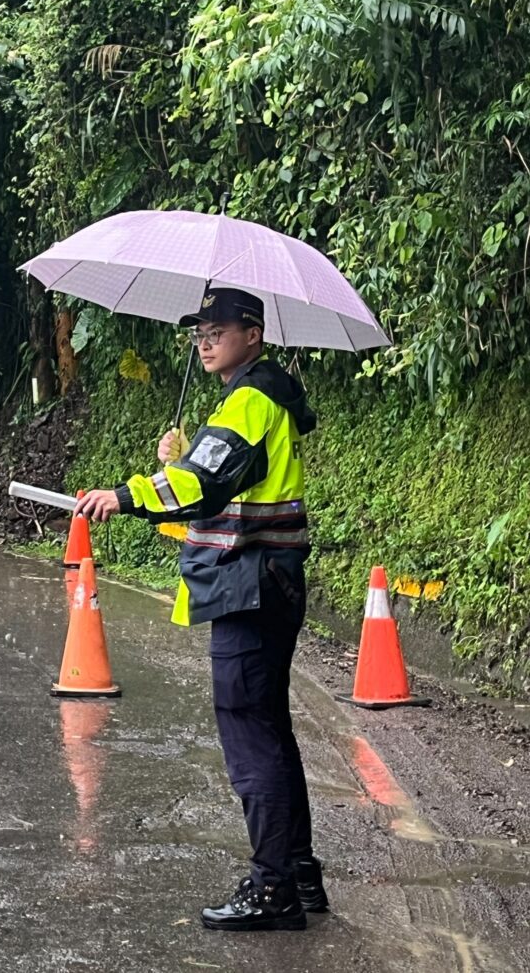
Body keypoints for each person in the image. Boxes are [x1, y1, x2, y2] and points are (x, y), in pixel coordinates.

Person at [75, 288, 326, 932]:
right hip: (270, 582)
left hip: (251, 585)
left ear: (254, 335)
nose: (205, 339)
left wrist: (130, 494)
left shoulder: (250, 399)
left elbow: (207, 482)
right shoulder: (262, 401)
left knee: (250, 735)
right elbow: (215, 479)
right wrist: (178, 463)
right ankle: (296, 873)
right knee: (269, 728)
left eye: (219, 328)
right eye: (199, 331)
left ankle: (274, 889)